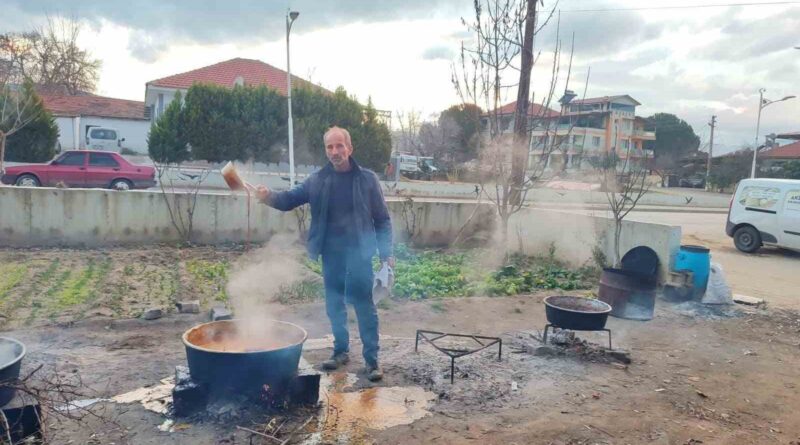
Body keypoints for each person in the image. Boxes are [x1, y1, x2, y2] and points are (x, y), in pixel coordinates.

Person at [255, 126, 393, 382]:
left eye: (339, 145)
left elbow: (382, 219)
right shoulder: (318, 180)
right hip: (331, 254)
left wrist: (387, 254)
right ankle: (341, 352)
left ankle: (372, 361)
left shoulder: (367, 180)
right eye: (330, 147)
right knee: (334, 305)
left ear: (349, 148)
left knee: (364, 306)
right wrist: (268, 196)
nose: (335, 151)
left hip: (360, 254)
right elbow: (289, 199)